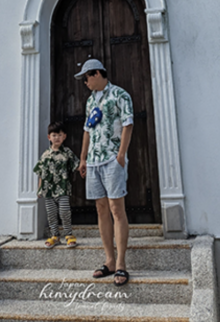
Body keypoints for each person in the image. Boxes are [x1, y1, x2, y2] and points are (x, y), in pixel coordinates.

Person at [75, 58, 134, 286]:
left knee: (116, 209)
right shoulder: (91, 101)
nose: (85, 82)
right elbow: (87, 130)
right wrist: (83, 158)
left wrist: (121, 155)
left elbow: (128, 124)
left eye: (86, 77)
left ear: (97, 73)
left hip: (112, 160)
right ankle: (109, 260)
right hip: (94, 162)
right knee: (101, 209)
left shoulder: (120, 94)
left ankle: (121, 263)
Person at [33, 120, 79, 248]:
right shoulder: (45, 155)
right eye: (54, 135)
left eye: (59, 135)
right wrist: (39, 189)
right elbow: (41, 173)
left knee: (64, 211)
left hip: (63, 189)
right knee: (51, 214)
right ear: (49, 137)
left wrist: (83, 169)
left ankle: (69, 234)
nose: (57, 138)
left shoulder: (67, 153)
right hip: (48, 190)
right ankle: (55, 236)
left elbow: (77, 165)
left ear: (64, 136)